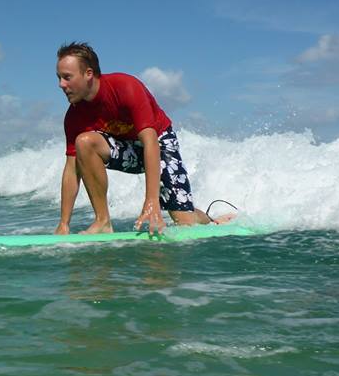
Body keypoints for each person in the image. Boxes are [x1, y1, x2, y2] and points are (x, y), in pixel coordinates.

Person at [54, 42, 230, 235]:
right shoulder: (74, 116)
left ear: (88, 74)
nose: (61, 84)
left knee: (185, 222)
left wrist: (152, 201)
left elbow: (150, 141)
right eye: (59, 78)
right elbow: (71, 169)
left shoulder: (125, 87)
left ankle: (211, 221)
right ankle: (103, 221)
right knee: (84, 142)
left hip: (159, 142)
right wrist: (64, 223)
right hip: (128, 149)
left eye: (67, 77)